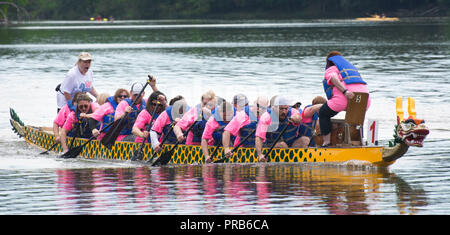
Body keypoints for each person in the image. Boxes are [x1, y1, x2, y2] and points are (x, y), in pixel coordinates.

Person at [319, 51, 371, 147]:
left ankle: (326, 142)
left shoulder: (332, 68)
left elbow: (333, 78)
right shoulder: (352, 69)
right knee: (356, 120)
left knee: (323, 113)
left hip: (344, 98)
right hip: (364, 100)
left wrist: (345, 91)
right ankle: (359, 141)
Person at [255, 96, 303, 162]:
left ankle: (298, 160)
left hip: (291, 144)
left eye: (286, 109)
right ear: (274, 108)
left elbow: (298, 117)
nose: (284, 111)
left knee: (304, 140)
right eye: (281, 109)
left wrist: (296, 119)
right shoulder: (266, 116)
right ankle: (289, 162)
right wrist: (260, 154)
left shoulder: (292, 111)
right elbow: (259, 137)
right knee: (282, 144)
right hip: (272, 145)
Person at [114, 77, 159, 142]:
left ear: (143, 94)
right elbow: (116, 120)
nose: (136, 97)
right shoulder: (123, 104)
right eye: (135, 95)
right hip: (124, 136)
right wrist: (124, 114)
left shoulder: (146, 103)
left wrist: (153, 86)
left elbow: (159, 98)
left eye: (139, 95)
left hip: (141, 134)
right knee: (140, 138)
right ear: (130, 93)